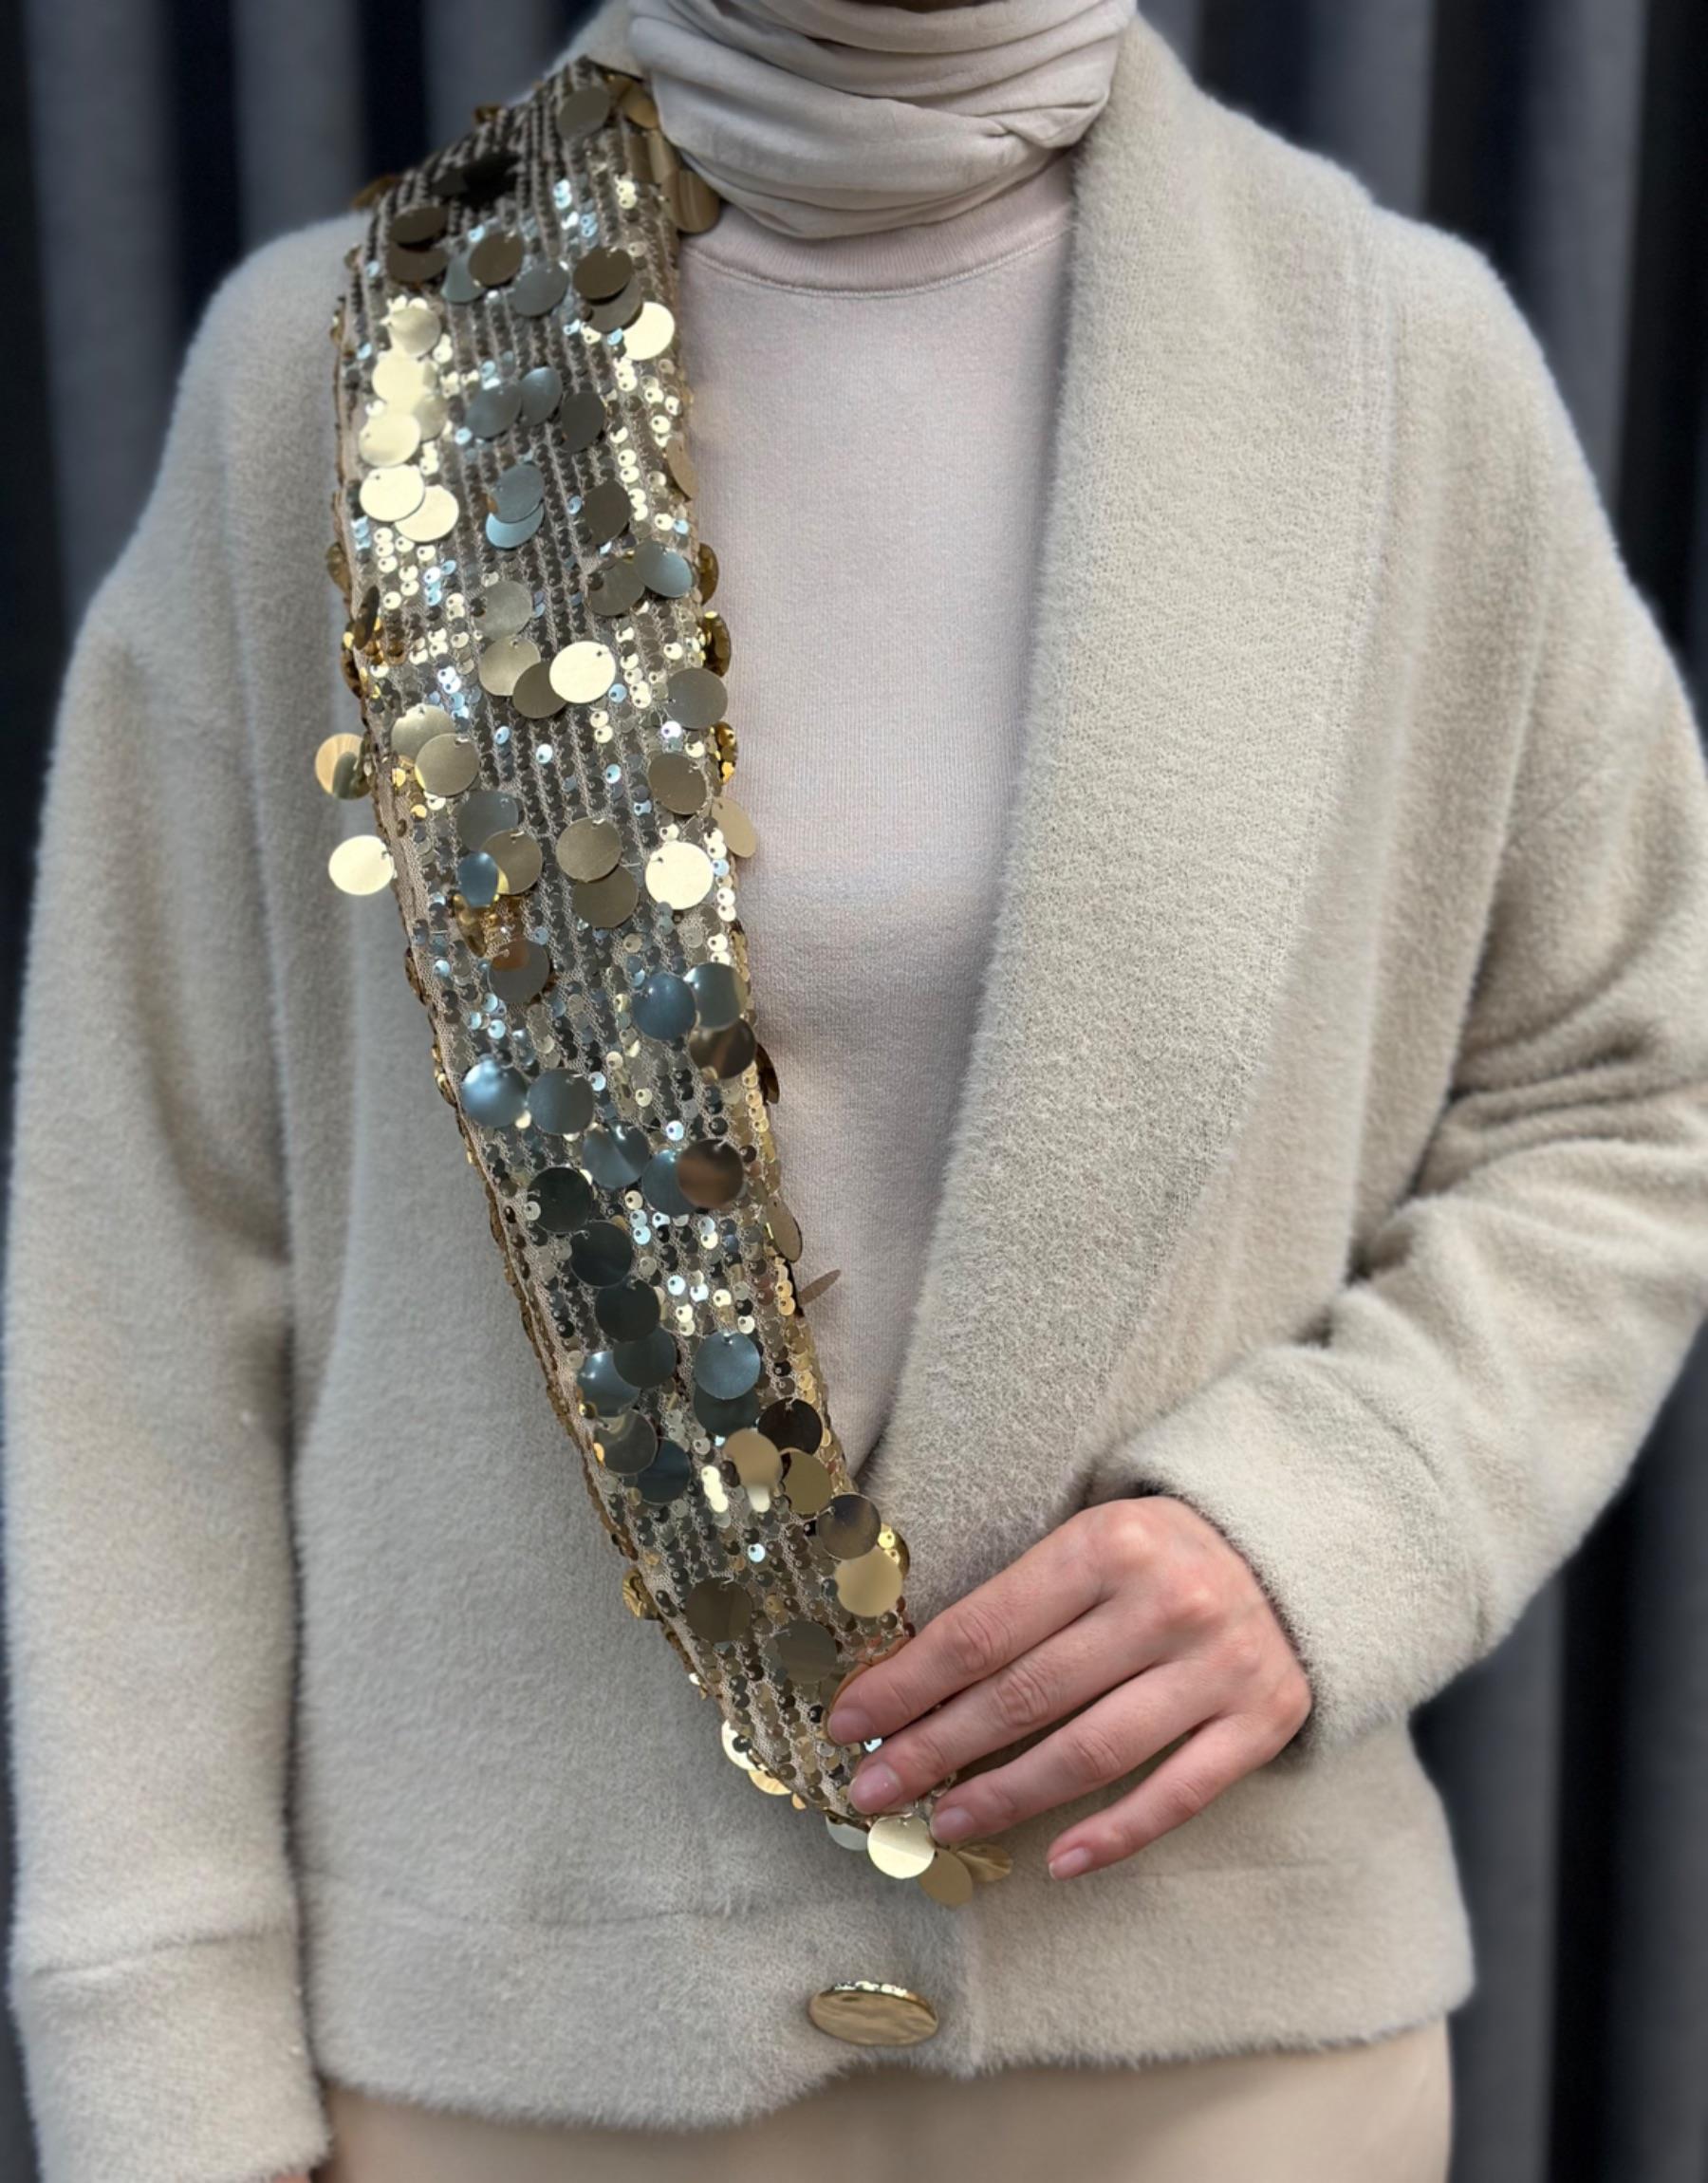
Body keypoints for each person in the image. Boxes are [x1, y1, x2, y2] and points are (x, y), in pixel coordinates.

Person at [7, 0, 1708, 2179]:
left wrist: (1342, 1512)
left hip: (1219, 2062)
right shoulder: (345, 375)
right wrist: (162, 2067)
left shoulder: (1399, 368)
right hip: (515, 2066)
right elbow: (145, 1270)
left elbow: (1630, 1084)